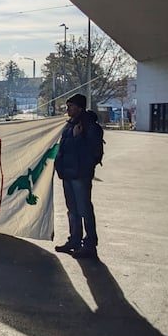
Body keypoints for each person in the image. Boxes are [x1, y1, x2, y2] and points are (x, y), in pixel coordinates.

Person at [53, 94, 103, 260]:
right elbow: (64, 148)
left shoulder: (89, 127)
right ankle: (74, 239)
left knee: (84, 209)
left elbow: (93, 152)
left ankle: (89, 244)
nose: (67, 109)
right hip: (68, 174)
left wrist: (77, 137)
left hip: (80, 175)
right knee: (72, 210)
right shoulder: (69, 125)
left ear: (79, 108)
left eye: (71, 106)